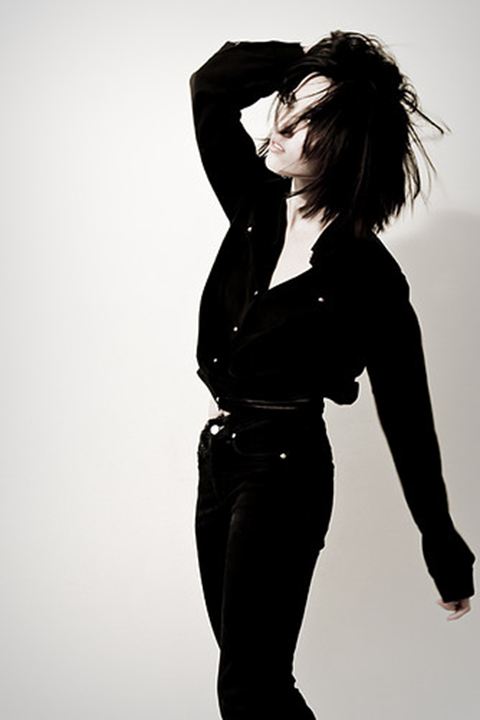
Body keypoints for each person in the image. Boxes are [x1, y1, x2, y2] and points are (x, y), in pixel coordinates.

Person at [189, 31, 476, 720]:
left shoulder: (369, 277)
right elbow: (211, 87)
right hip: (219, 459)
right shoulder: (255, 205)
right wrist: (313, 67)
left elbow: (407, 415)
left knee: (249, 688)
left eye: (304, 119)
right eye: (285, 105)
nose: (278, 126)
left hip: (284, 472)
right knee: (253, 680)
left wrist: (441, 544)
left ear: (346, 140)